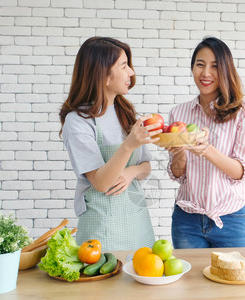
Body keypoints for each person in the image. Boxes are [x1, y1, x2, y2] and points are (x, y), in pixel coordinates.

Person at [59, 37, 162, 250]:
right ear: (103, 75)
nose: (131, 72)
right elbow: (101, 183)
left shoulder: (125, 112)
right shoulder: (78, 121)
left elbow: (146, 167)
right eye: (124, 66)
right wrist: (128, 145)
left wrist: (130, 172)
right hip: (102, 224)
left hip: (137, 220)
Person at [166, 37, 245, 248]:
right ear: (192, 68)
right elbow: (178, 174)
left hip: (231, 219)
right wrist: (180, 153)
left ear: (226, 70)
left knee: (233, 279)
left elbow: (240, 172)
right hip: (186, 220)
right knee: (191, 281)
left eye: (215, 66)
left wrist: (208, 150)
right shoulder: (179, 113)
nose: (206, 73)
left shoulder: (243, 111)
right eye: (200, 64)